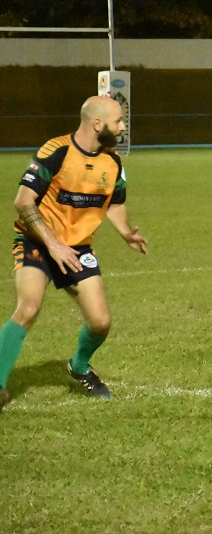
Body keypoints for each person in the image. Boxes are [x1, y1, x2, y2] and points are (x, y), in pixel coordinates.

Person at [0, 96, 148, 411]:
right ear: (97, 124)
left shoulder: (112, 162)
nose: (122, 127)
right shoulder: (56, 151)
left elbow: (115, 204)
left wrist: (126, 232)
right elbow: (23, 201)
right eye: (118, 121)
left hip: (77, 248)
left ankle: (79, 366)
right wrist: (53, 244)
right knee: (28, 307)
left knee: (100, 322)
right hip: (36, 241)